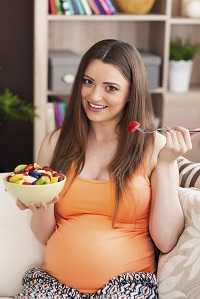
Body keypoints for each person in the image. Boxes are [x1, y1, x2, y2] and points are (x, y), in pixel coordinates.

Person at [15, 39, 193, 299]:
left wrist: (166, 163)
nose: (94, 96)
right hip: (51, 286)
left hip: (125, 288)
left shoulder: (154, 145)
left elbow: (166, 239)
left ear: (131, 93)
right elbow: (44, 234)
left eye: (110, 87)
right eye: (88, 82)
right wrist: (40, 205)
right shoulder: (55, 143)